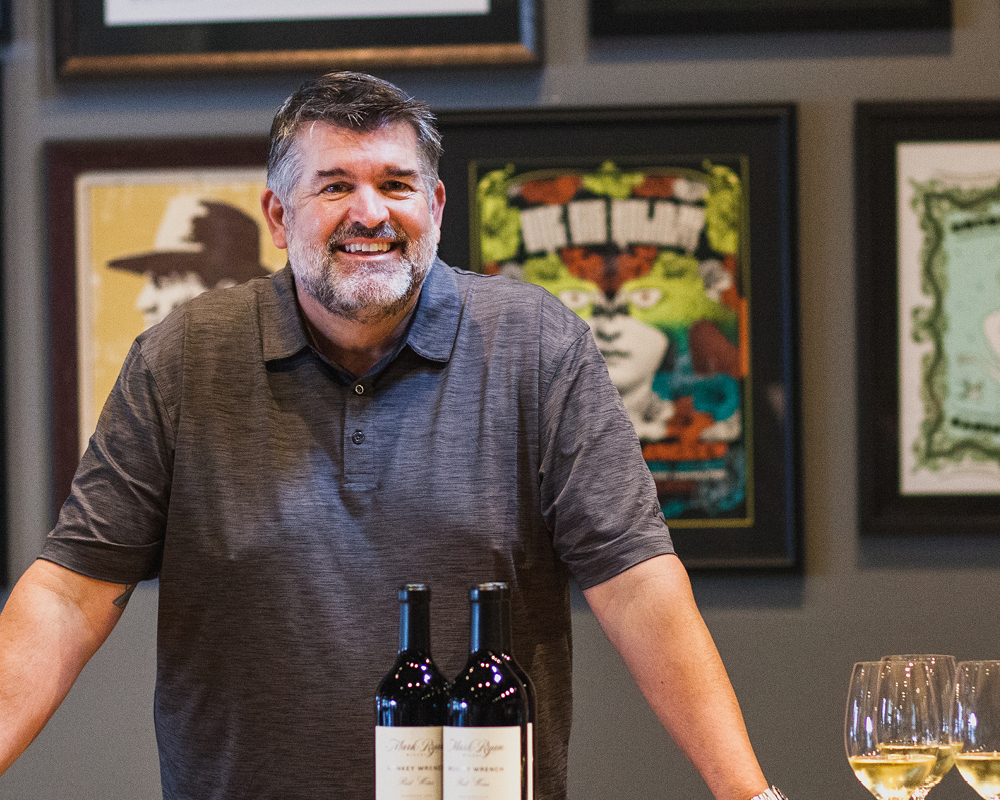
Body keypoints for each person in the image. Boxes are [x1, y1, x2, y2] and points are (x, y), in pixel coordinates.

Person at [0, 72, 788, 800]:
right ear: (278, 215)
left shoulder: (539, 347)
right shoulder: (181, 358)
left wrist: (750, 796)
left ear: (435, 207)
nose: (370, 212)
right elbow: (70, 593)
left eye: (395, 184)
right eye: (334, 185)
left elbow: (638, 584)